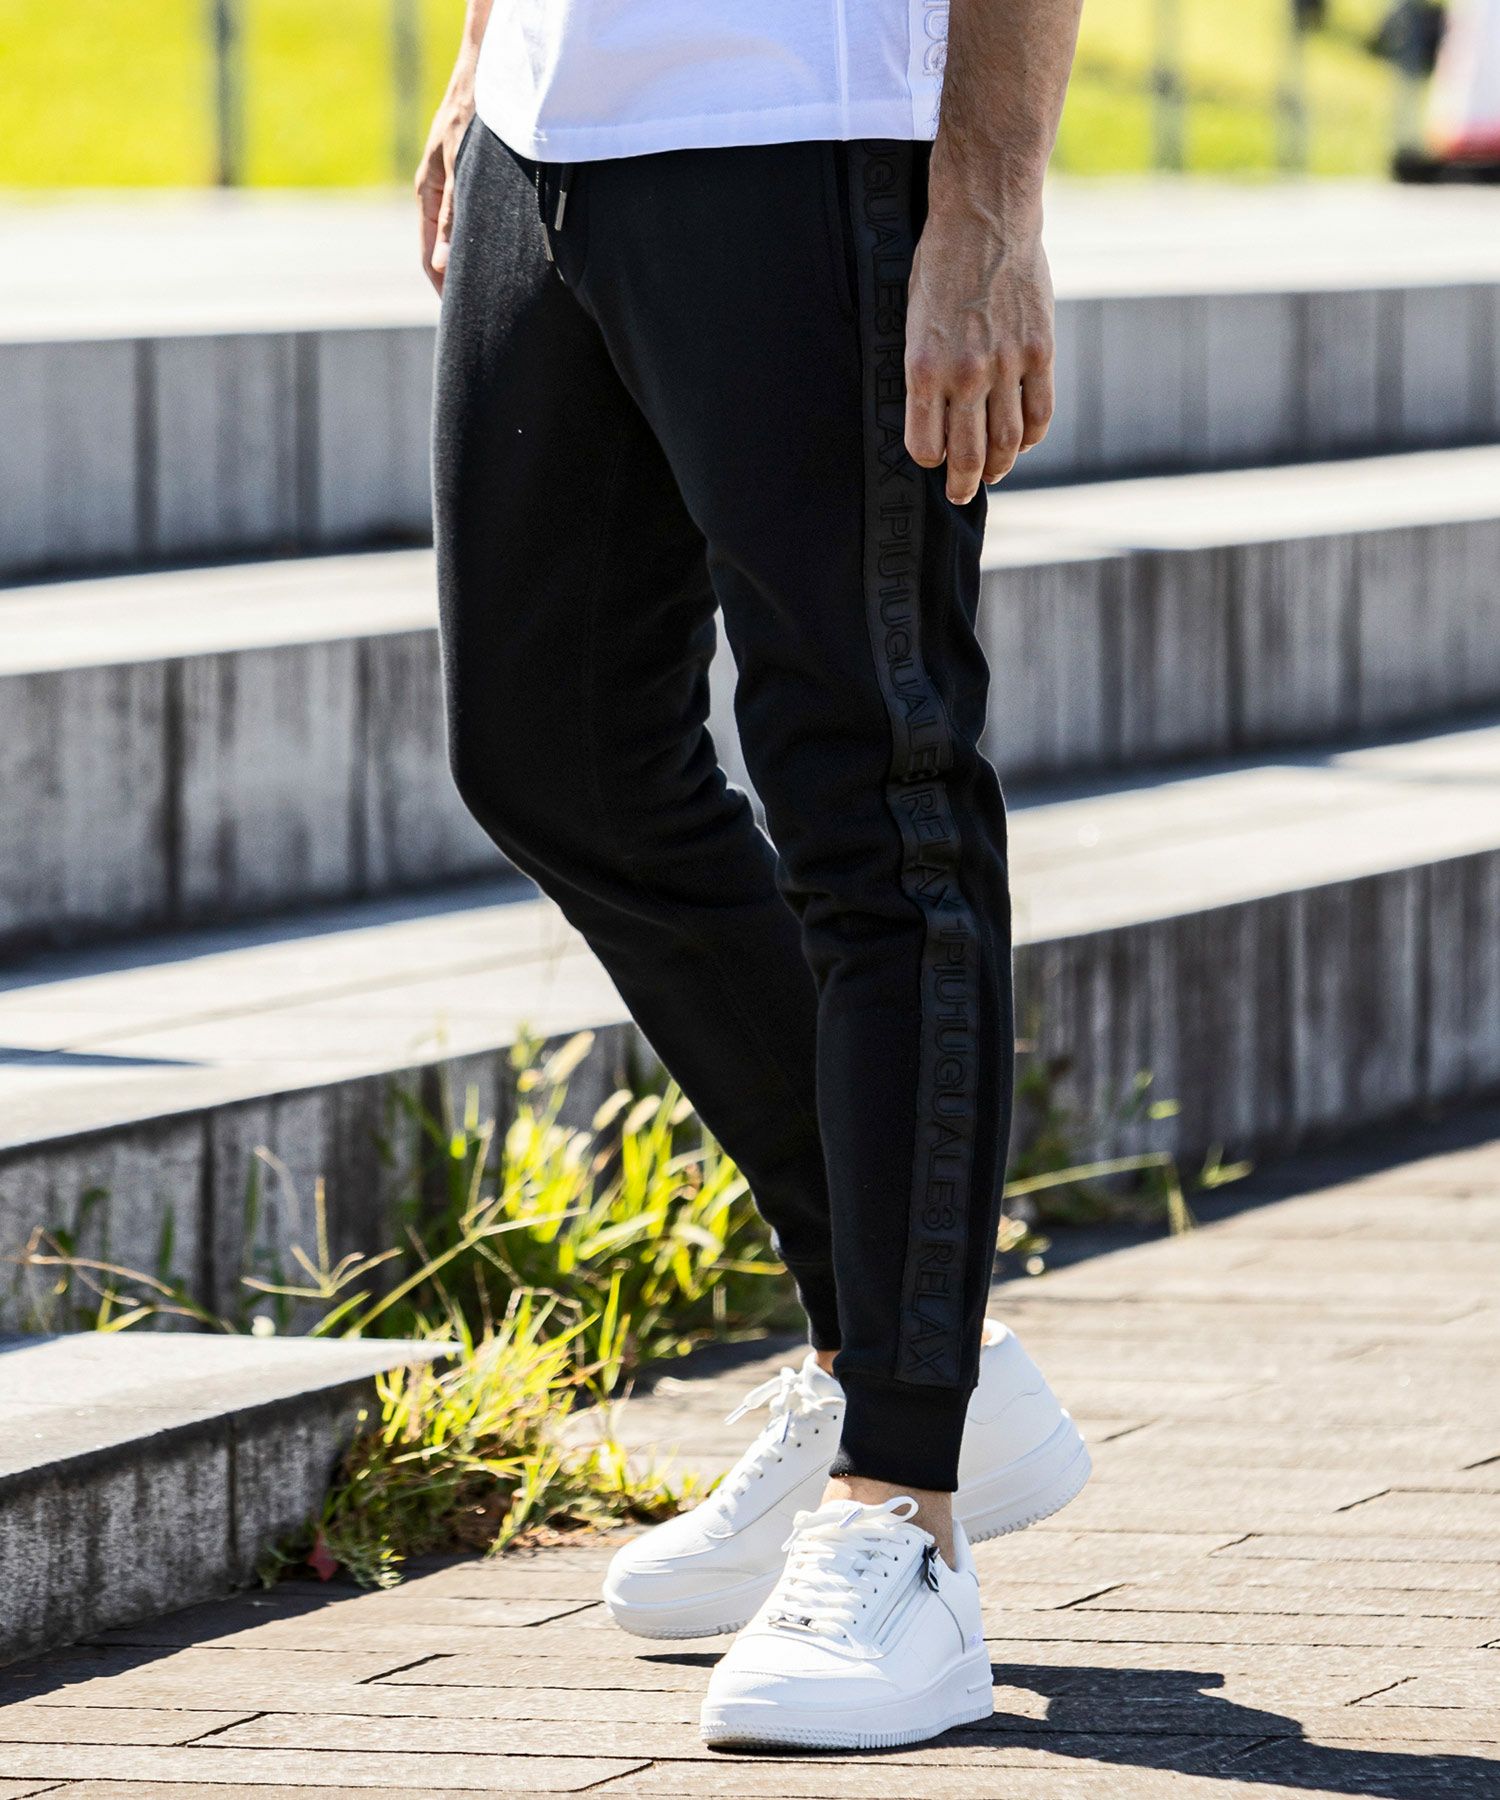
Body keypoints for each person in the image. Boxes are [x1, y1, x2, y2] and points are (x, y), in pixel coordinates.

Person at [417, 0, 1085, 1753]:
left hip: (815, 116)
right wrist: (484, 54)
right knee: (553, 754)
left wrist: (989, 198)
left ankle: (905, 1507)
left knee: (876, 796)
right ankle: (896, 1347)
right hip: (553, 122)